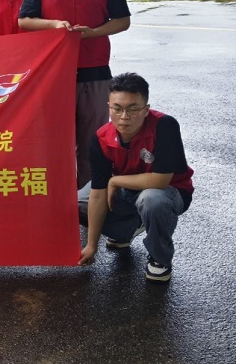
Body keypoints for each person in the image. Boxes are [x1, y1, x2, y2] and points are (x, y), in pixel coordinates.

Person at [18, 0, 131, 189]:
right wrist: (54, 25)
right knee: (55, 142)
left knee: (93, 143)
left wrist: (93, 33)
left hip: (95, 73)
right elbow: (24, 20)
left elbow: (122, 20)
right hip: (54, 75)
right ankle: (56, 200)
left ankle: (87, 203)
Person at [78, 73, 194, 283]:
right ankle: (127, 230)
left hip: (169, 192)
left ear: (146, 109)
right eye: (117, 108)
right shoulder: (101, 138)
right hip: (128, 190)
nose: (124, 116)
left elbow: (160, 181)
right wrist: (91, 246)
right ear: (108, 107)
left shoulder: (164, 126)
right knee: (78, 203)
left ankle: (160, 258)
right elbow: (98, 194)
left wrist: (115, 181)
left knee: (152, 200)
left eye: (133, 109)